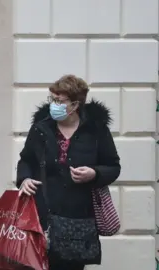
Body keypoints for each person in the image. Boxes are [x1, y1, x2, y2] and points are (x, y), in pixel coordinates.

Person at [16, 75, 121, 270]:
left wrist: (94, 174)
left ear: (75, 104)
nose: (54, 104)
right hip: (42, 215)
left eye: (59, 100)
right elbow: (26, 160)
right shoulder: (41, 129)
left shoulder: (96, 131)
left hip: (77, 220)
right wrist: (25, 179)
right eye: (52, 99)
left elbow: (113, 167)